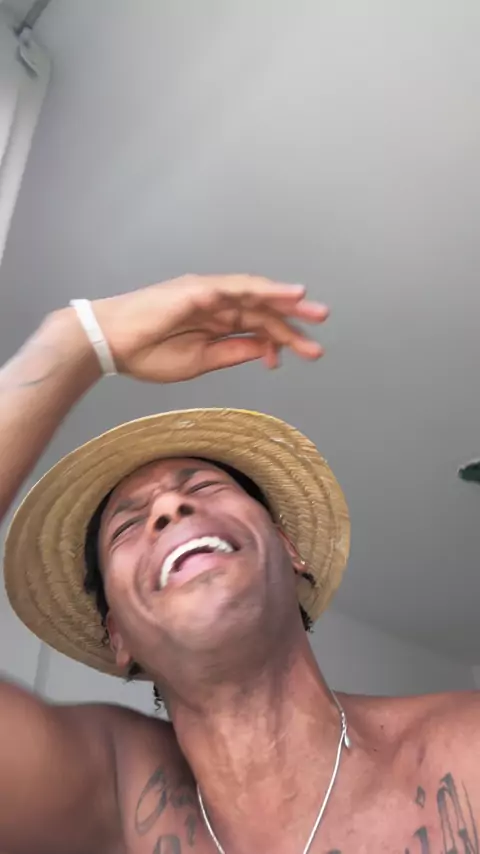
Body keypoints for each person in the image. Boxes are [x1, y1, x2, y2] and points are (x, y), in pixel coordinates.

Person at [0, 274, 477, 854]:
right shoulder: (111, 793)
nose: (169, 508)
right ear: (117, 633)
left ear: (287, 548)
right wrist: (77, 340)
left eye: (204, 487)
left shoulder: (465, 751)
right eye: (127, 526)